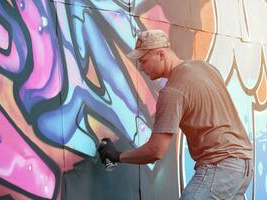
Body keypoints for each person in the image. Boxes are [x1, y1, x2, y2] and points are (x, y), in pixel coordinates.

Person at [98, 29, 253, 200]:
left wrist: (118, 156)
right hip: (243, 165)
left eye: (144, 61)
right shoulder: (205, 68)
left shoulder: (173, 91)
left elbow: (155, 151)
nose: (141, 68)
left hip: (220, 166)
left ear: (161, 54)